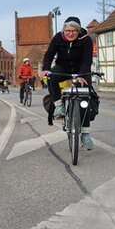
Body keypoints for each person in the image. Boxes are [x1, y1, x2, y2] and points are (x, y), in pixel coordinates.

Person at [39, 16, 95, 150]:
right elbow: (49, 54)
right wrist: (46, 69)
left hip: (81, 70)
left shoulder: (86, 40)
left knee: (86, 99)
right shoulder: (58, 38)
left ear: (78, 31)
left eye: (74, 31)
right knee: (52, 77)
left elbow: (87, 60)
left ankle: (85, 134)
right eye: (67, 31)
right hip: (62, 68)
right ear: (64, 30)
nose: (70, 33)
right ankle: (59, 106)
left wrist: (82, 75)